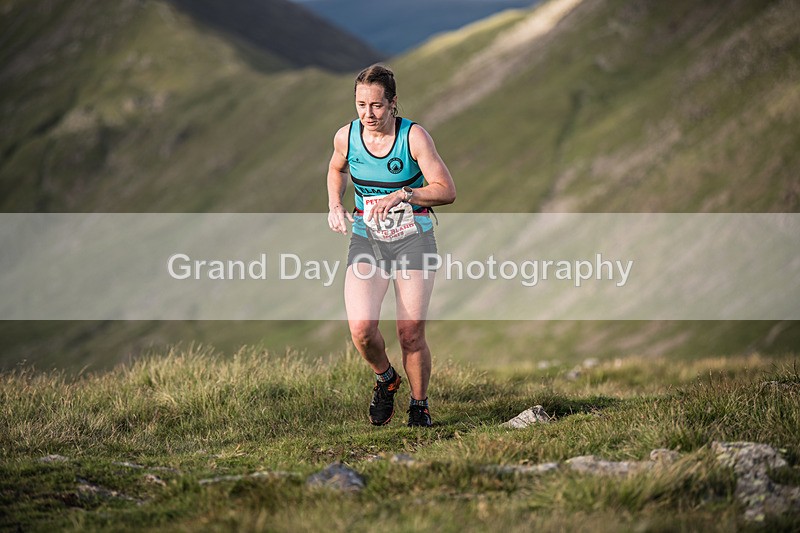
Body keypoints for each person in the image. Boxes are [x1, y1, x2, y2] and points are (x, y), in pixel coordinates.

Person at [327, 64, 456, 427]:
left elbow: (446, 190)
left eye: (377, 105)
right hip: (367, 239)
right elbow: (336, 169)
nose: (368, 114)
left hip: (414, 239)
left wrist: (404, 194)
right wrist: (335, 204)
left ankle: (419, 405)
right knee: (362, 330)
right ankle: (386, 379)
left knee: (410, 333)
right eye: (361, 104)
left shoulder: (414, 137)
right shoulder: (346, 137)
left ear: (393, 103)